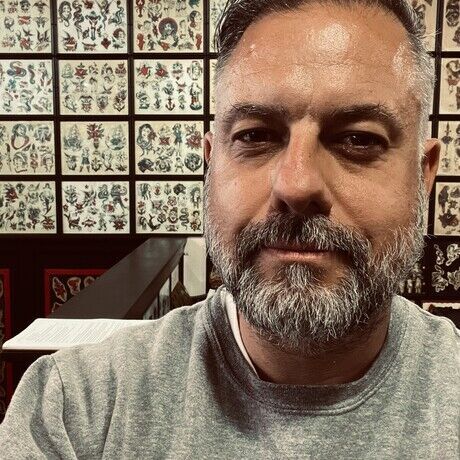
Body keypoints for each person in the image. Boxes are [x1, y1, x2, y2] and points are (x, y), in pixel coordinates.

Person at [1, 0, 459, 458]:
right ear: (211, 164)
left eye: (359, 139)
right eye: (255, 135)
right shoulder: (74, 410)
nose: (296, 185)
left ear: (423, 175)